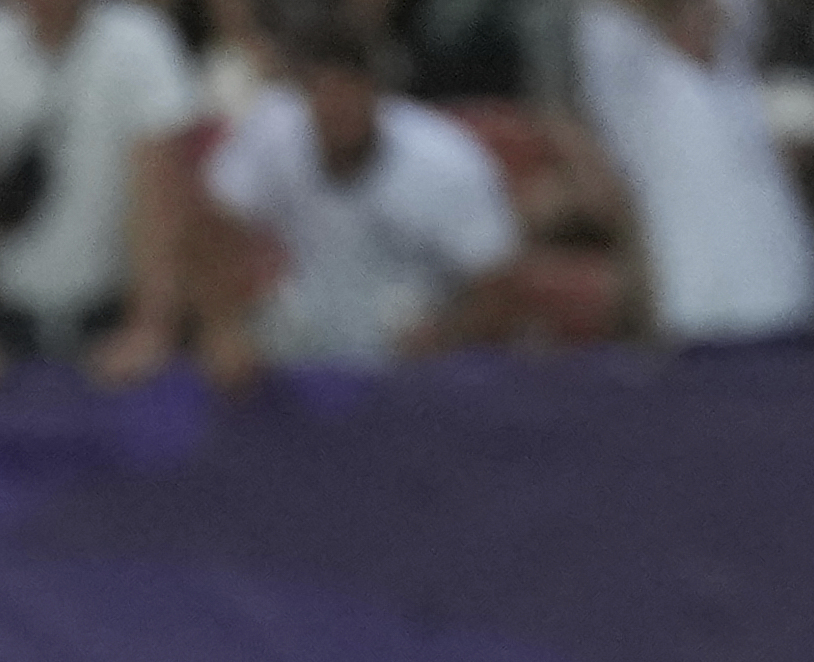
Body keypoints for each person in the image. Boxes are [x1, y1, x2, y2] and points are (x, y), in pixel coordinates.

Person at [196, 21, 523, 381]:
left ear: (377, 92)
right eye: (324, 94)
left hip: (414, 363)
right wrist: (223, 326)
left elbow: (497, 278)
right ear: (304, 97)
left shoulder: (446, 162)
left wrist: (449, 334)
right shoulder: (272, 131)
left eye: (350, 92)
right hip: (304, 348)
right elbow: (214, 225)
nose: (339, 108)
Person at [0, 0, 196, 390]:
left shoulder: (139, 42)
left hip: (108, 314)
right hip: (0, 320)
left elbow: (160, 199)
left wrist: (150, 327)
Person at [575, 0, 814, 344]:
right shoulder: (611, 38)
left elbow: (714, 22)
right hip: (694, 303)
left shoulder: (734, 37)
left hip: (784, 286)